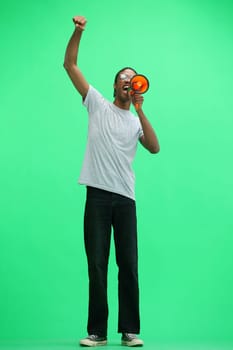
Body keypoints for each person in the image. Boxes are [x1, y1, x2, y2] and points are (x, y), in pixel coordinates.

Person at [63, 15, 160, 347]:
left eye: (132, 80)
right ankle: (97, 332)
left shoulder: (135, 122)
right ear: (114, 84)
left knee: (129, 265)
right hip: (98, 198)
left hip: (126, 200)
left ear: (136, 88)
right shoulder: (97, 105)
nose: (127, 82)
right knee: (97, 265)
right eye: (123, 78)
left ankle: (130, 330)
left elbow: (154, 147)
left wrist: (141, 110)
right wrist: (78, 31)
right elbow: (70, 64)